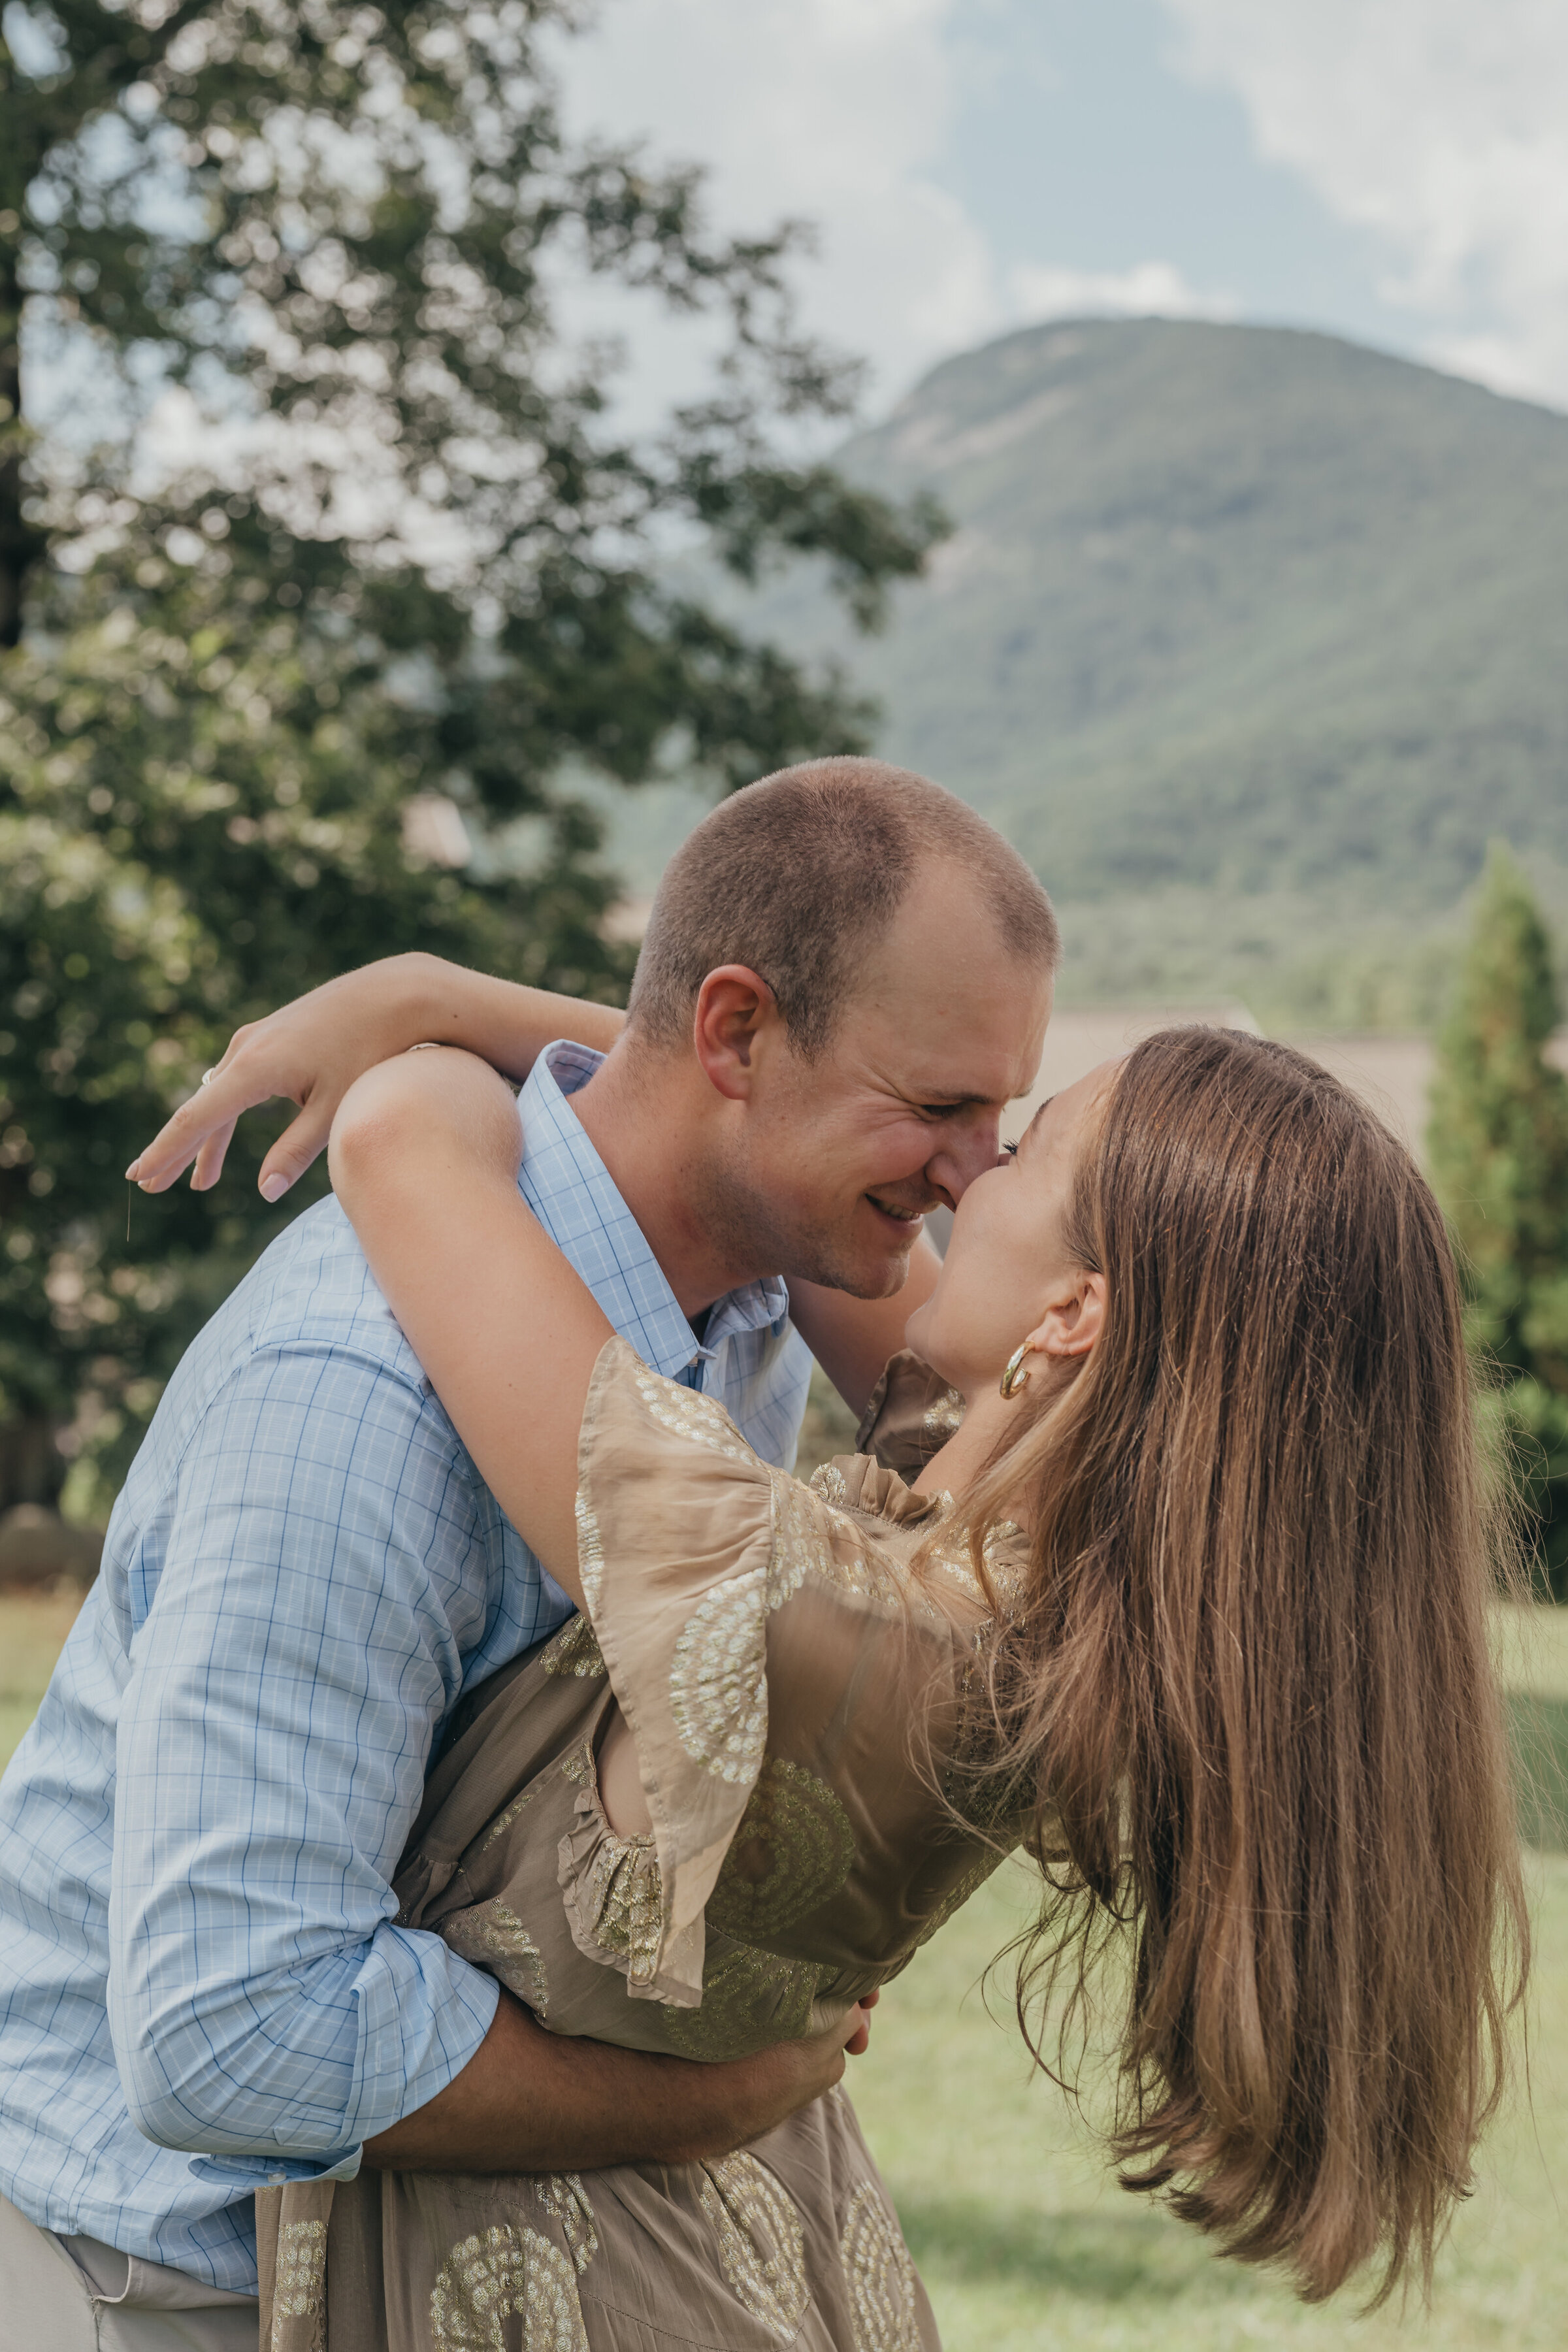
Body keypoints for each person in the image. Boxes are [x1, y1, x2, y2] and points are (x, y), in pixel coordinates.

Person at [243, 1011, 1525, 2346]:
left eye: (1015, 1150)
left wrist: (419, 1030)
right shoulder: (1021, 1586)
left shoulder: (840, 1634)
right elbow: (747, 1117)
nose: (960, 1171)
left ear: (1075, 1312)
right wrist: (451, 987)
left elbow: (400, 1143)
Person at [0, 759, 1057, 2344]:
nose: (978, 1176)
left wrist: (442, 1008)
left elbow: (698, 1080)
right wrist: (690, 2099)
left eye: (1007, 1118)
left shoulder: (779, 1285)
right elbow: (228, 2033)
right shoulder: (353, 1398)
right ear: (736, 1034)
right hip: (147, 2279)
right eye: (943, 1107)